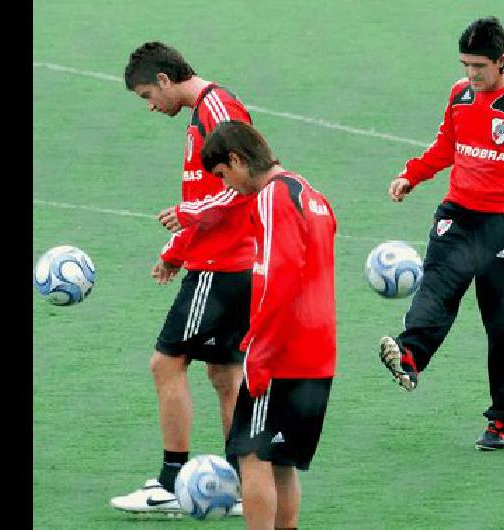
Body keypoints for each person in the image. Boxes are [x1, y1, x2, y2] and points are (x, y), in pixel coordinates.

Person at [379, 17, 504, 450]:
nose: (471, 75)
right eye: (466, 65)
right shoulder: (460, 95)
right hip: (458, 213)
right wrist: (413, 175)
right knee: (435, 289)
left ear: (502, 61)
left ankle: (501, 420)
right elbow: (446, 146)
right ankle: (410, 357)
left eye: (479, 67)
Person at [109, 41, 255, 516]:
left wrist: (188, 215)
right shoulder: (206, 111)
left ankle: (172, 483)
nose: (151, 106)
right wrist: (176, 249)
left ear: (166, 81)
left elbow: (244, 183)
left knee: (165, 364)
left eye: (149, 95)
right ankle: (237, 487)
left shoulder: (218, 109)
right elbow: (207, 188)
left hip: (221, 268)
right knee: (225, 374)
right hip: (232, 264)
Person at [193, 121, 337, 529]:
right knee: (282, 461)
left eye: (224, 175)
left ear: (237, 160)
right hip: (319, 352)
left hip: (282, 355)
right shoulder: (312, 195)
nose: (229, 185)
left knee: (252, 456)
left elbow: (280, 276)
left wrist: (261, 355)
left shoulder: (273, 198)